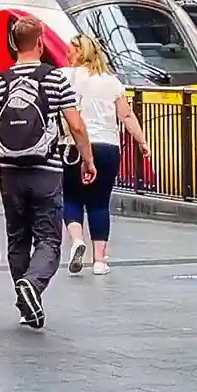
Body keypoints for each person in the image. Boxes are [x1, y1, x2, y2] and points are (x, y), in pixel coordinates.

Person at [0, 17, 95, 329]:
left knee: (18, 239)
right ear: (40, 42)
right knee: (49, 241)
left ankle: (28, 307)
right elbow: (76, 125)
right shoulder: (54, 78)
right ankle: (33, 285)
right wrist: (87, 160)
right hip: (46, 172)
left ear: (14, 45)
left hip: (10, 174)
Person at [60, 35, 152, 277]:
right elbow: (127, 116)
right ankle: (100, 261)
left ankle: (78, 240)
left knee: (71, 198)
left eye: (70, 50)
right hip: (108, 147)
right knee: (99, 203)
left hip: (75, 145)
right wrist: (142, 142)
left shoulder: (65, 77)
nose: (67, 54)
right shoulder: (112, 82)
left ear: (79, 52)